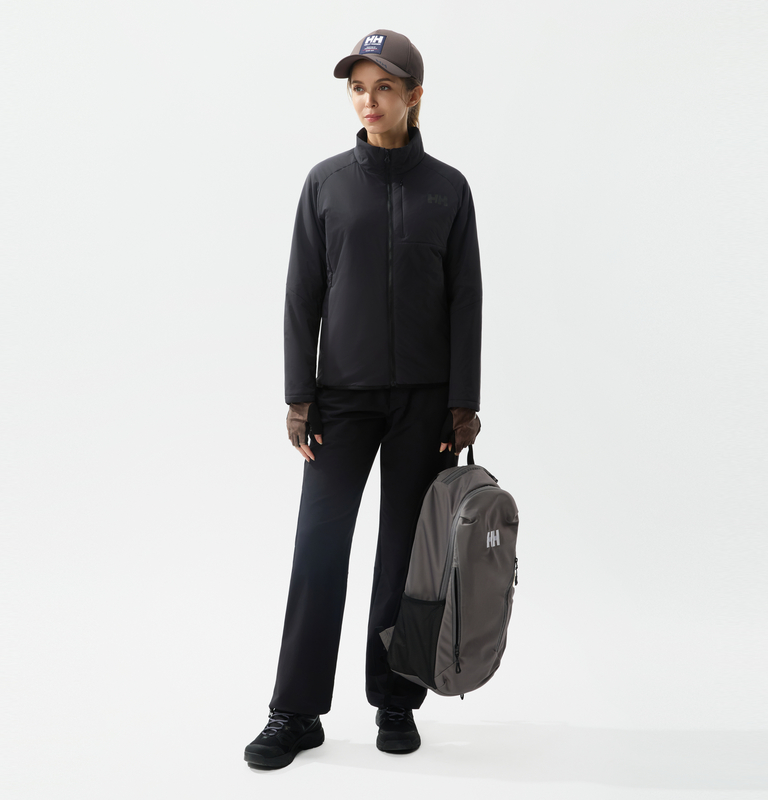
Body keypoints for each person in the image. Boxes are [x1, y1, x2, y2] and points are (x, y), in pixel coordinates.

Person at [244, 29, 482, 770]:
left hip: (424, 404)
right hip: (340, 402)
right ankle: (294, 712)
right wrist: (298, 395)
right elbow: (301, 294)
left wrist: (463, 400)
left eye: (384, 87)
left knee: (406, 557)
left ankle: (395, 700)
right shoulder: (325, 184)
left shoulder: (448, 189)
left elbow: (466, 299)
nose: (368, 101)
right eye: (357, 88)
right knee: (319, 548)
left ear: (414, 95)